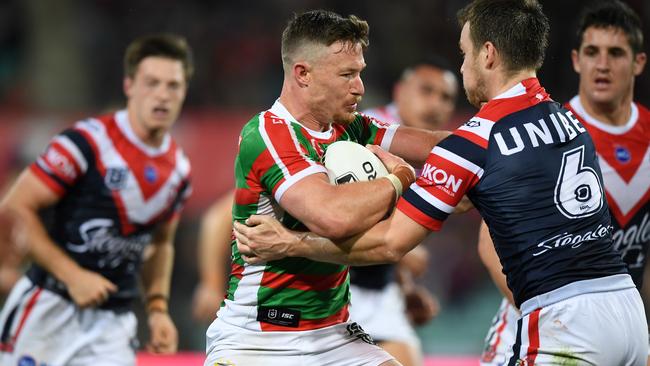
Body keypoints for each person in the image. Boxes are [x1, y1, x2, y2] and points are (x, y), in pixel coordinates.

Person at [234, 1, 648, 364]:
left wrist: (292, 242)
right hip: (628, 309)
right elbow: (440, 147)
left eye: (464, 54)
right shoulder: (568, 119)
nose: (462, 65)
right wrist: (445, 173)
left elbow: (389, 242)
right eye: (348, 74)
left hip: (564, 321)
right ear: (304, 73)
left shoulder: (475, 142)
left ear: (488, 55)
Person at [204, 9, 449, 366]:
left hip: (334, 333)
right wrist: (398, 179)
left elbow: (434, 144)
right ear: (303, 74)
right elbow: (333, 217)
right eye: (347, 74)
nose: (360, 87)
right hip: (258, 337)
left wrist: (502, 132)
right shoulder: (268, 134)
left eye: (360, 73)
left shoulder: (352, 126)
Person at [0, 34, 193, 365]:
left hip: (112, 325)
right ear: (129, 85)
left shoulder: (179, 170)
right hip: (49, 307)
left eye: (173, 85)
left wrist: (158, 308)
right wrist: (73, 276)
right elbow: (15, 206)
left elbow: (161, 244)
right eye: (152, 83)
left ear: (184, 91)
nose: (162, 94)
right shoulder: (86, 142)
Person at [478, 1, 650, 364]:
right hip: (537, 325)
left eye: (616, 53)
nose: (602, 65)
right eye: (592, 52)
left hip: (619, 327)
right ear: (576, 60)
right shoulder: (548, 131)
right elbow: (489, 245)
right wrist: (555, 317)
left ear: (638, 62)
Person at [351, 58, 458, 366]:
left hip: (379, 287)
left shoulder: (434, 154)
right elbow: (339, 212)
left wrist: (405, 285)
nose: (436, 103)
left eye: (446, 97)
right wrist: (398, 249)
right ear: (399, 92)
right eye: (427, 91)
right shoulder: (368, 131)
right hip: (334, 282)